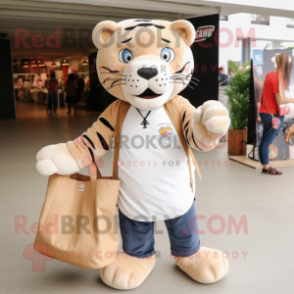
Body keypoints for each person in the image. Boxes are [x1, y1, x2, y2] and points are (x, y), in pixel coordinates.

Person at [259, 52, 294, 175]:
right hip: (273, 115)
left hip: (268, 113)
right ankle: (266, 167)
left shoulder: (270, 75)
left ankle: (265, 166)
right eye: (288, 63)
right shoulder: (276, 78)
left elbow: (265, 97)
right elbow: (280, 100)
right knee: (266, 142)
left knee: (265, 141)